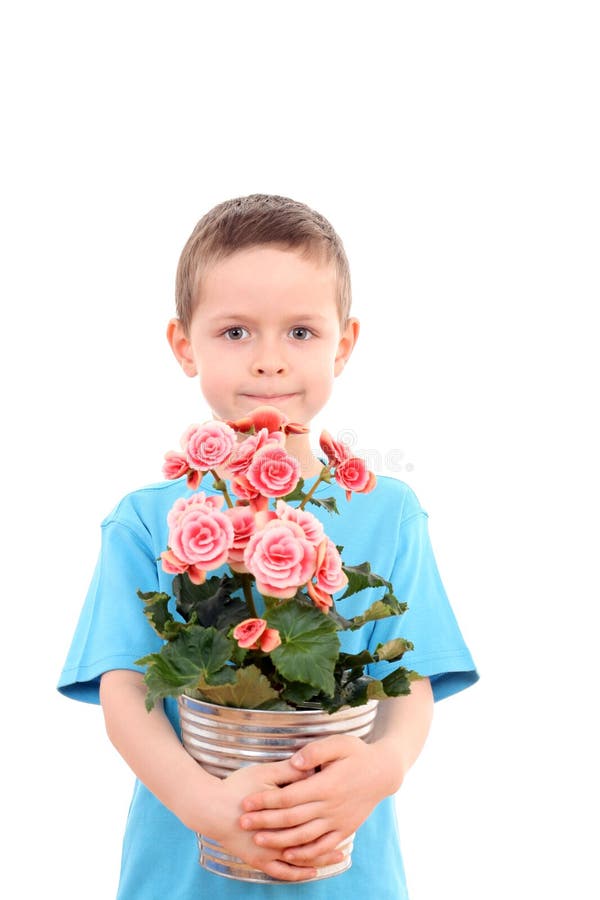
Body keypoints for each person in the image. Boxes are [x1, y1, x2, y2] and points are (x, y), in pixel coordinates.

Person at [58, 193, 478, 898]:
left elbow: (416, 684)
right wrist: (208, 806)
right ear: (183, 344)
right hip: (189, 872)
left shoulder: (389, 513)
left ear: (344, 343)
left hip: (345, 868)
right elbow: (123, 692)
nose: (270, 362)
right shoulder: (143, 521)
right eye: (235, 332)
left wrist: (385, 767)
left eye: (302, 333)